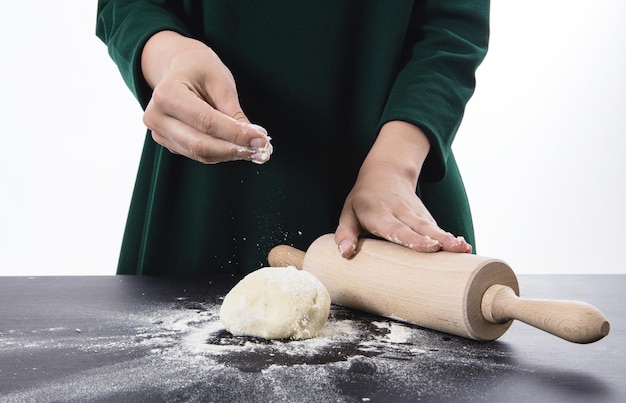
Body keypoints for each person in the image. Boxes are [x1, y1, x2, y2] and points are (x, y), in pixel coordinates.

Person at [96, 1, 488, 275]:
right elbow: (127, 4)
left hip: (392, 198)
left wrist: (393, 166)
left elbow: (452, 27)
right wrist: (170, 55)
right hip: (200, 204)